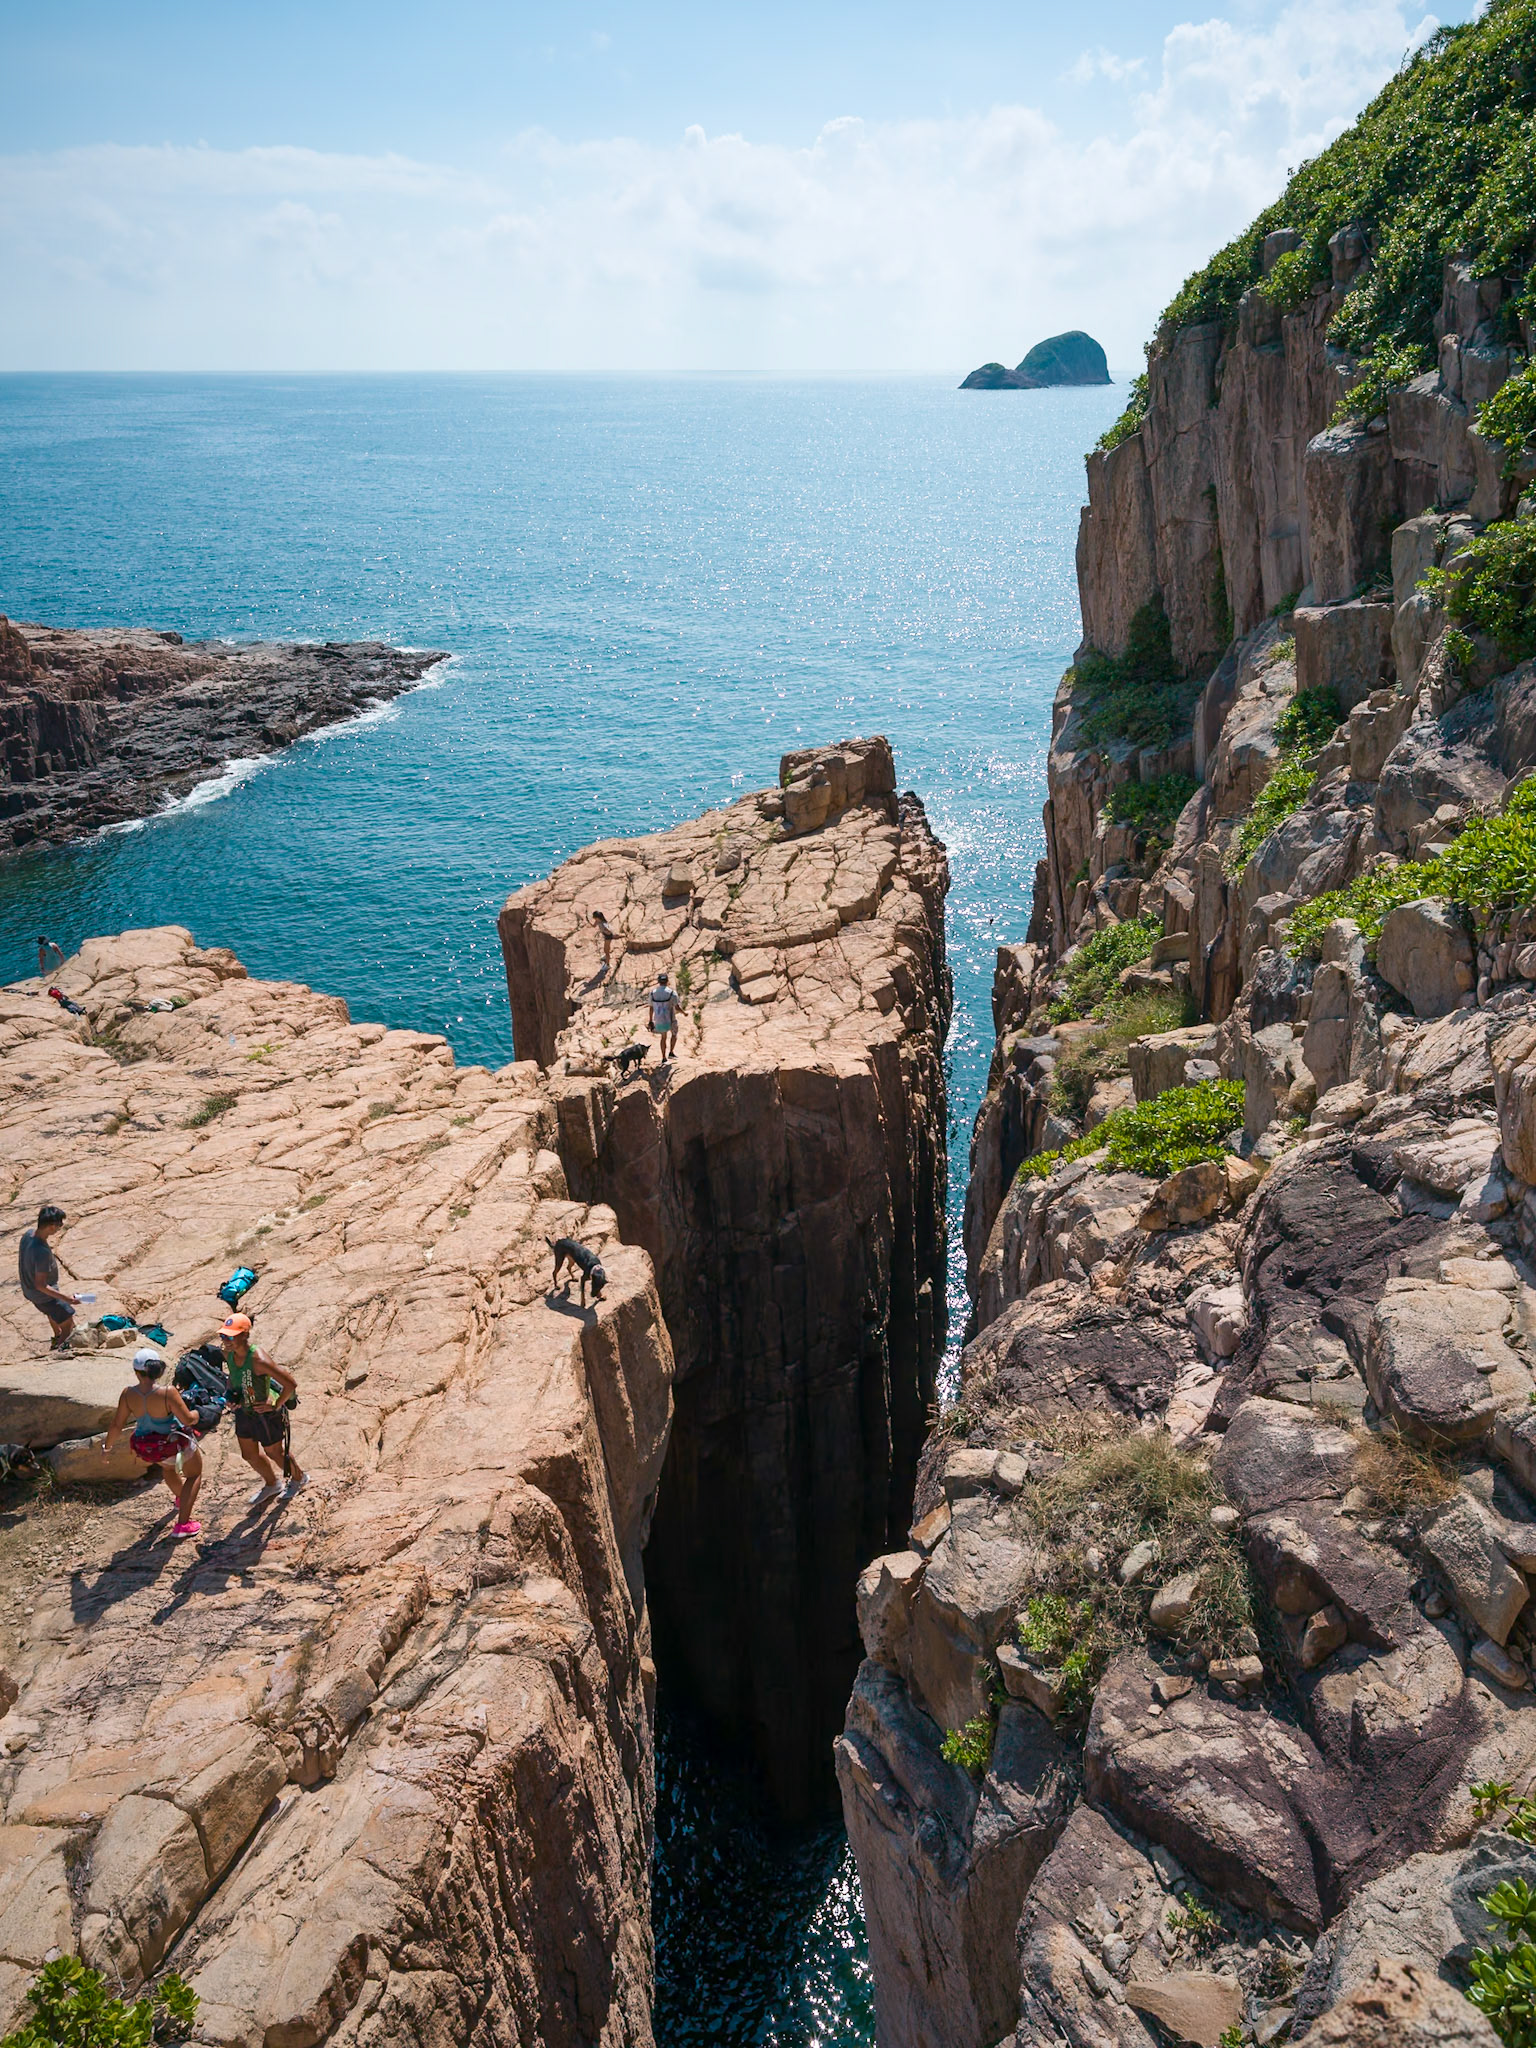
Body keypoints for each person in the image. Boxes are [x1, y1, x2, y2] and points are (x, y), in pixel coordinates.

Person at [103, 1349, 204, 1537]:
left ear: (136, 1372)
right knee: (194, 1475)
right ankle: (183, 1525)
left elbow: (117, 1424)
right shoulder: (167, 1393)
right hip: (173, 1442)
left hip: (151, 1448)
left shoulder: (127, 1394)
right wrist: (199, 1413)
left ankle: (182, 1500)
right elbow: (188, 1419)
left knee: (168, 1469)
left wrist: (107, 1448)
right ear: (158, 1370)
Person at [219, 1313, 307, 1504]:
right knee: (249, 1453)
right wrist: (229, 1394)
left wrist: (275, 1405)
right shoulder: (229, 1354)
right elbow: (231, 1376)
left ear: (244, 1335)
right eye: (224, 1336)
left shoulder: (258, 1359)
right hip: (244, 1410)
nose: (226, 1341)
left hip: (265, 1414)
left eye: (230, 1336)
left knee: (275, 1452)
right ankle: (272, 1484)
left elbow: (290, 1383)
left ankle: (299, 1478)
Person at [18, 1205, 79, 1351]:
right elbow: (41, 1285)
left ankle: (56, 1336)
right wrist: (66, 1299)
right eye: (59, 1224)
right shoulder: (41, 1252)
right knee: (68, 1325)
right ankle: (59, 1350)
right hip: (43, 1296)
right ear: (51, 1226)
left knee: (52, 1313)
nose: (60, 1227)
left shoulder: (28, 1235)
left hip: (30, 1292)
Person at [547, 1235, 607, 1305]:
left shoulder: (598, 1266)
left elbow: (598, 1282)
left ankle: (570, 1271)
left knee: (571, 1263)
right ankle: (555, 1280)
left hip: (571, 1248)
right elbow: (582, 1279)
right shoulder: (589, 1271)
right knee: (558, 1266)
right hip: (562, 1247)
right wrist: (583, 1299)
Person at [647, 968, 679, 1061]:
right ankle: (671, 1052)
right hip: (670, 1017)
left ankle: (663, 1057)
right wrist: (684, 1013)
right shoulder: (672, 992)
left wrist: (650, 1020)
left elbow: (651, 1007)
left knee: (663, 1037)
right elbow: (676, 1007)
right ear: (667, 981)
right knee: (674, 1034)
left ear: (658, 981)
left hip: (659, 1019)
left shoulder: (653, 993)